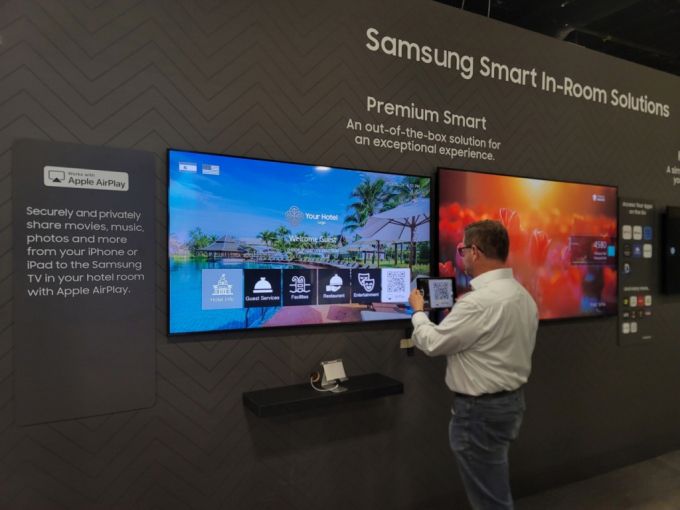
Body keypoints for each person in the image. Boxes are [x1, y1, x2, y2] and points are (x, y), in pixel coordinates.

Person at [408, 219, 538, 510]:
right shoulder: (523, 296)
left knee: (490, 499)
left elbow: (432, 343)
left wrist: (418, 312)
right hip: (511, 404)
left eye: (462, 250)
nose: (462, 256)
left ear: (476, 252)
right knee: (493, 481)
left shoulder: (477, 303)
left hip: (479, 413)